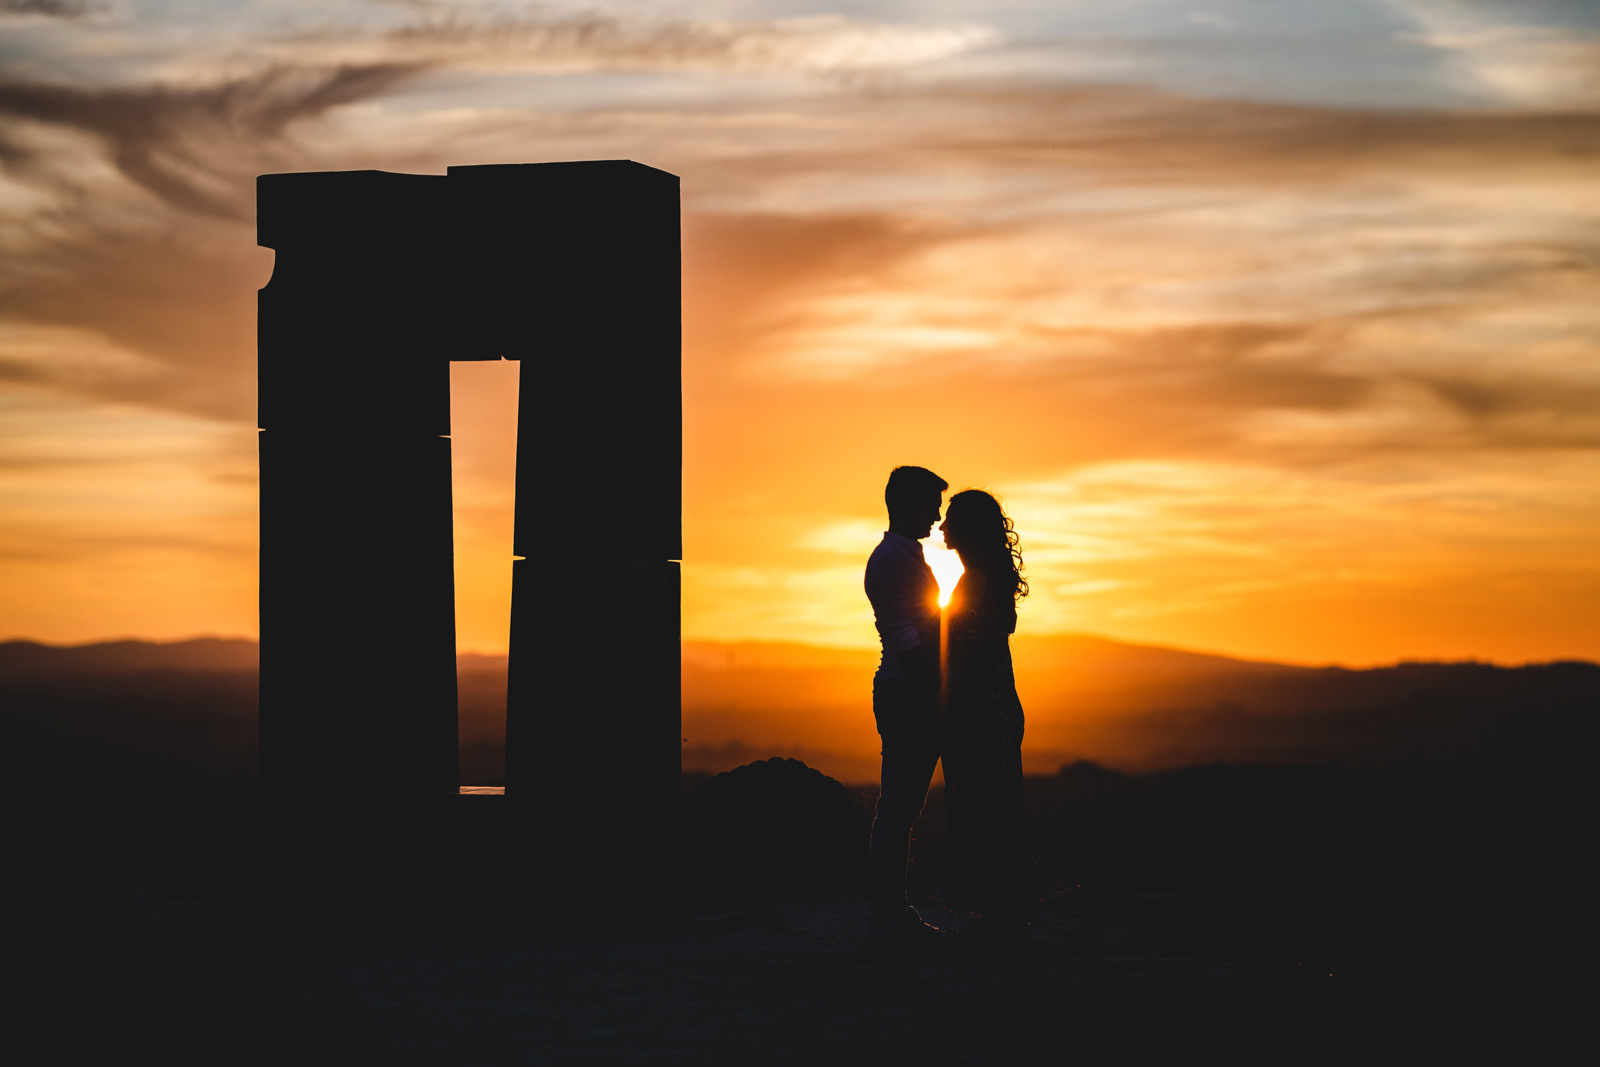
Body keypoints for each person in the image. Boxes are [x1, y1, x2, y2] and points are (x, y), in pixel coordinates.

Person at [936, 489, 1039, 944]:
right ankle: (1004, 914)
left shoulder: (975, 581)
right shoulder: (991, 578)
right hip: (998, 706)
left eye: (951, 521)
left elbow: (967, 652)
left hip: (979, 710)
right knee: (999, 805)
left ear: (968, 530)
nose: (942, 528)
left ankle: (996, 918)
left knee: (982, 807)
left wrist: (942, 704)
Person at [863, 465, 948, 942]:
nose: (936, 516)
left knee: (903, 806)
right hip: (905, 692)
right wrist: (933, 697)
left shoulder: (906, 556)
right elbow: (903, 636)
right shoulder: (892, 560)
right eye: (931, 505)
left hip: (906, 690)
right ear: (908, 505)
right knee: (898, 807)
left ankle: (892, 910)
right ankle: (886, 915)